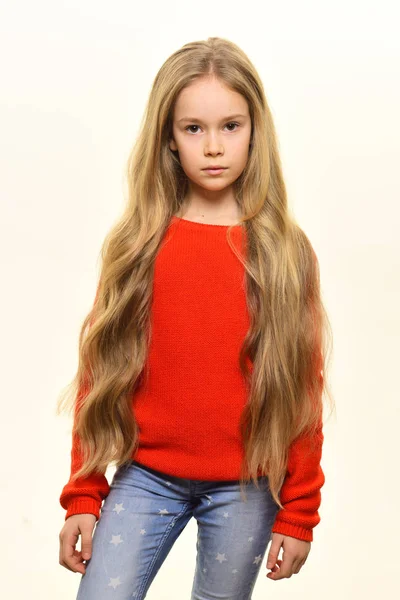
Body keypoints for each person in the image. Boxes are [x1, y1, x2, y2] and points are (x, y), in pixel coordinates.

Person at [57, 36, 334, 599]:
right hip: (147, 475)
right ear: (169, 137)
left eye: (230, 126)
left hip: (246, 486)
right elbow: (100, 374)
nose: (213, 147)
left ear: (256, 130)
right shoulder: (139, 243)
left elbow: (302, 386)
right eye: (193, 129)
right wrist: (84, 492)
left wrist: (299, 512)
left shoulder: (282, 251)